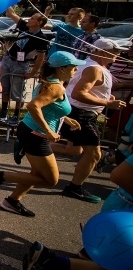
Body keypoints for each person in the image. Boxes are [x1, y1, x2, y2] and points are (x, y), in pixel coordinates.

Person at [0, 51, 84, 217]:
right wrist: (49, 131)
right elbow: (33, 106)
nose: (76, 69)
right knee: (50, 180)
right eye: (73, 67)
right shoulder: (56, 88)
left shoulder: (49, 82)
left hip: (30, 131)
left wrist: (66, 120)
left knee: (37, 174)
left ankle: (12, 201)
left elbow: (49, 108)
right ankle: (0, 176)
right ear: (61, 69)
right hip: (36, 135)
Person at [51, 38, 127, 203]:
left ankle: (26, 144)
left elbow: (82, 89)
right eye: (114, 51)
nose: (118, 54)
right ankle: (74, 187)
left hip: (76, 111)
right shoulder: (94, 69)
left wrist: (105, 95)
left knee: (75, 151)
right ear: (101, 52)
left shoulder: (89, 64)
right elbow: (80, 93)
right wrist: (108, 102)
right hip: (82, 115)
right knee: (94, 154)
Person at [0, 9, 49, 123]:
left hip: (21, 64)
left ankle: (16, 115)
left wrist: (32, 73)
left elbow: (40, 58)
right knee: (4, 87)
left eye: (32, 18)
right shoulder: (24, 28)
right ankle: (3, 112)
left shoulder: (42, 38)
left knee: (17, 91)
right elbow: (12, 14)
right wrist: (8, 2)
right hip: (8, 60)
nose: (29, 19)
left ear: (39, 23)